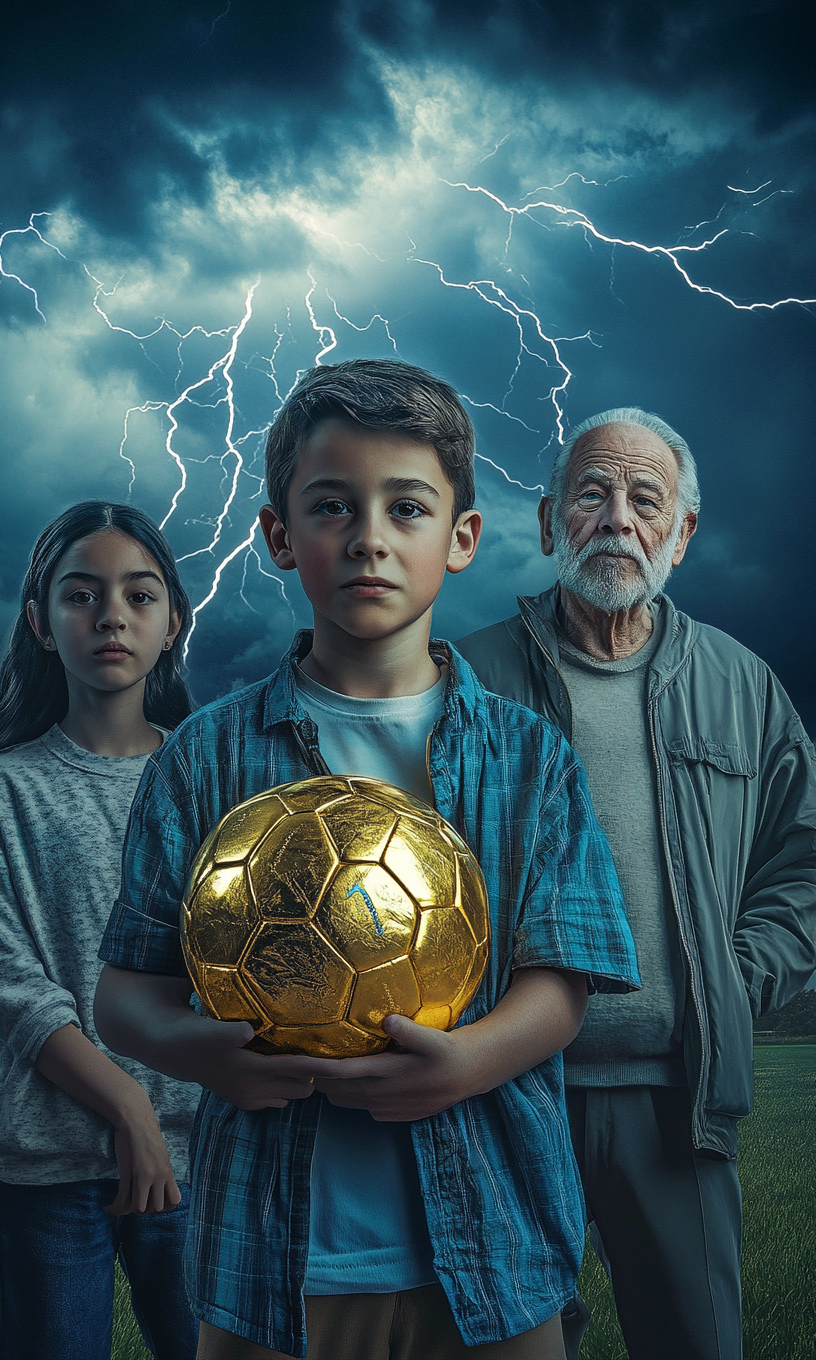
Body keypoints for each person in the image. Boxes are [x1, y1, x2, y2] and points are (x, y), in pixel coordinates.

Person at [94, 359, 641, 1360]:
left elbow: (561, 980)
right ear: (276, 534)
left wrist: (467, 1061)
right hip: (267, 1266)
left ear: (461, 538)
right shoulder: (203, 755)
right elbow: (123, 994)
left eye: (406, 508)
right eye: (331, 506)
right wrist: (195, 1049)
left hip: (493, 1254)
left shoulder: (529, 757)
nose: (367, 539)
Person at [456, 408, 816, 1360]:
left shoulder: (744, 686)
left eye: (645, 499)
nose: (617, 516)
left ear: (682, 534)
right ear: (547, 523)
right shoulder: (467, 681)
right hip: (508, 1099)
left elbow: (805, 862)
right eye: (591, 493)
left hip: (679, 1104)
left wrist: (736, 981)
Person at [0, 501, 202, 1360]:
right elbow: (2, 980)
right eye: (81, 595)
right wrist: (126, 1104)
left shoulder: (209, 784)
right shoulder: (1, 789)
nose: (111, 616)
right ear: (42, 624)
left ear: (173, 623)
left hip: (199, 1158)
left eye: (139, 594)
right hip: (48, 1167)